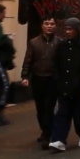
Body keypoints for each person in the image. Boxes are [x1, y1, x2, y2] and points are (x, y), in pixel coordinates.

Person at [48, 18, 80, 152]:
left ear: (77, 30)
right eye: (66, 29)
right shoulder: (62, 46)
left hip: (78, 87)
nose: (68, 32)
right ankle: (58, 139)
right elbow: (56, 63)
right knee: (62, 113)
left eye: (71, 29)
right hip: (64, 86)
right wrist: (58, 79)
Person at [22, 15, 62, 149]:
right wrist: (25, 76)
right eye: (46, 23)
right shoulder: (34, 42)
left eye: (52, 23)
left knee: (49, 107)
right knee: (40, 108)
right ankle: (45, 130)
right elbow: (28, 59)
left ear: (55, 26)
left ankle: (47, 133)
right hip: (38, 79)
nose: (49, 26)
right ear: (42, 26)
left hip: (53, 79)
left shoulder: (59, 42)